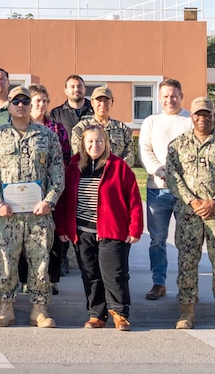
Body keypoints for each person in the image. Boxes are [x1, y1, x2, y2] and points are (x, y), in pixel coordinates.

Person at [0, 86, 65, 328]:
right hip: (7, 214)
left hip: (38, 214)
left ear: (31, 105)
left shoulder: (47, 136)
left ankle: (39, 308)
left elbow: (57, 173)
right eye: (15, 101)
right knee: (6, 261)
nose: (20, 105)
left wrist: (49, 200)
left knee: (40, 262)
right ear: (8, 106)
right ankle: (5, 308)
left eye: (25, 101)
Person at [166, 96, 215, 331]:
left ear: (213, 116)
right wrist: (192, 200)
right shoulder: (177, 145)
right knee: (187, 262)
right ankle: (187, 311)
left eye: (207, 114)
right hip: (189, 215)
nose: (203, 118)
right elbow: (173, 176)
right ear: (192, 117)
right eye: (198, 114)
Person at [55, 126, 143, 331]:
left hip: (111, 231)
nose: (95, 145)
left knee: (115, 274)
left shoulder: (119, 166)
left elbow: (134, 200)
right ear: (84, 144)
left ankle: (119, 313)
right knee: (91, 274)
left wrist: (135, 228)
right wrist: (62, 228)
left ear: (106, 143)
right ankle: (97, 314)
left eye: (99, 141)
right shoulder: (74, 166)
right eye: (91, 142)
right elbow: (64, 199)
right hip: (83, 231)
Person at [138, 78, 193, 301]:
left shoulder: (190, 120)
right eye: (165, 96)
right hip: (157, 190)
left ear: (181, 95)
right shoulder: (151, 122)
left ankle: (186, 284)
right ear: (159, 98)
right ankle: (158, 283)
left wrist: (181, 178)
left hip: (186, 192)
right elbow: (145, 150)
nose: (170, 100)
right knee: (157, 240)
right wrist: (159, 170)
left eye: (174, 95)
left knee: (186, 240)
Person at [27, 84, 72, 292]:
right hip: (27, 190)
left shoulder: (57, 128)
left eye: (45, 101)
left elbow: (65, 159)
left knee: (52, 238)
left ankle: (51, 279)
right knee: (27, 237)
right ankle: (27, 280)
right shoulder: (20, 127)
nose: (42, 105)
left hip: (52, 191)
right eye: (37, 101)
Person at [71, 87, 134, 167]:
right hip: (89, 175)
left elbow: (129, 156)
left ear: (112, 103)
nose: (103, 104)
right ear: (92, 102)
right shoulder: (81, 128)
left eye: (106, 101)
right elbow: (78, 154)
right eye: (99, 100)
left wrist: (116, 170)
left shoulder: (123, 129)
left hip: (115, 175)